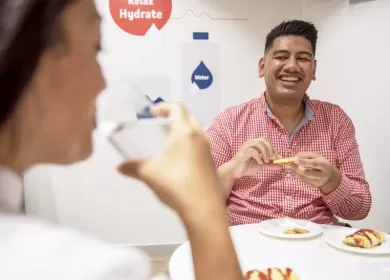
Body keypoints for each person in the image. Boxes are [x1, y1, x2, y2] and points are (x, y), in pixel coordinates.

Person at [0, 1, 244, 279]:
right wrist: (205, 206)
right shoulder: (96, 270)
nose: (102, 82)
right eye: (96, 48)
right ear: (30, 59)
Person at [206, 20, 371, 226]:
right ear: (261, 66)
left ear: (314, 69)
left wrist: (332, 180)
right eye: (281, 57)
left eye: (303, 58)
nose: (292, 66)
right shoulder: (229, 121)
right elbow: (200, 203)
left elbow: (359, 209)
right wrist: (232, 169)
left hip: (316, 241)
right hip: (247, 239)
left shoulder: (336, 120)